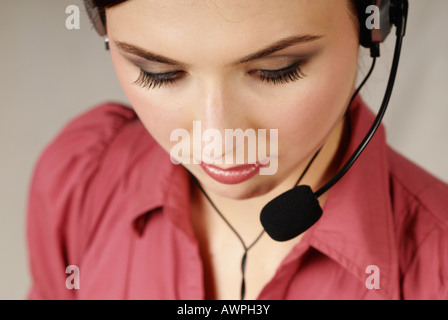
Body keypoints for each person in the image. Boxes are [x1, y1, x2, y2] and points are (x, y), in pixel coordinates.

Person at [26, 0, 448, 300]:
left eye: (275, 71)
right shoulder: (80, 183)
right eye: (159, 73)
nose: (217, 136)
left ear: (377, 20)